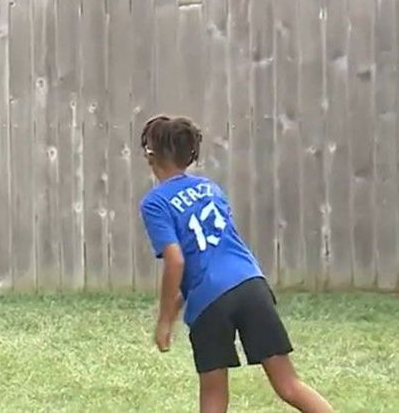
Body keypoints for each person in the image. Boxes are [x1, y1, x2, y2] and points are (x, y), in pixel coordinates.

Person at [138, 115, 332, 413]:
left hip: (209, 303)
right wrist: (177, 305)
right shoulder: (210, 188)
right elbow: (212, 254)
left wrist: (165, 320)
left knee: (214, 395)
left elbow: (176, 261)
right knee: (289, 385)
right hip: (251, 284)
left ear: (151, 155)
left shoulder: (155, 202)